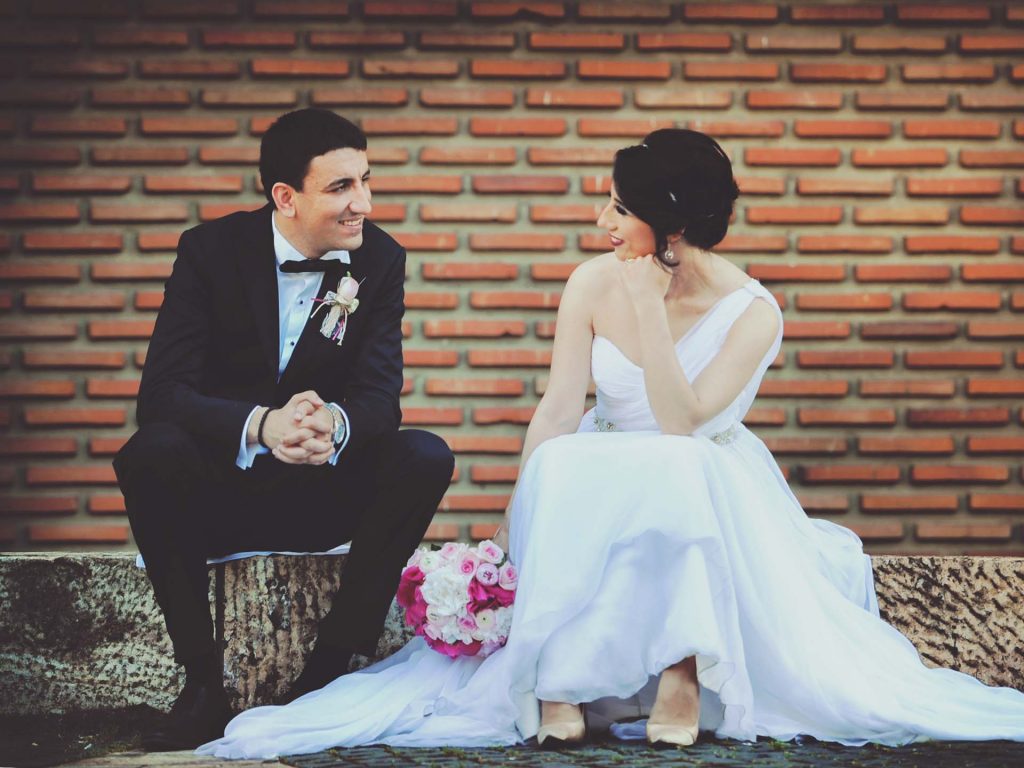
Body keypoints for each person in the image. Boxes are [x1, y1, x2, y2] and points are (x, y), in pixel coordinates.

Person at [199, 129, 1024, 758]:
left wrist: (652, 310)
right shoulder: (592, 281)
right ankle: (558, 680)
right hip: (605, 461)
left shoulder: (754, 314)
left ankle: (684, 671)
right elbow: (560, 406)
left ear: (669, 223)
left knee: (675, 465)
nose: (602, 224)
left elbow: (684, 423)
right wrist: (509, 519)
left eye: (620, 210)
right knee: (565, 459)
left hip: (704, 472)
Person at [113, 108, 455, 751]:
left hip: (320, 494)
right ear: (286, 196)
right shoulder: (209, 251)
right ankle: (201, 683)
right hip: (219, 493)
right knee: (151, 449)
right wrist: (262, 426)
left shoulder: (380, 259)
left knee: (425, 455)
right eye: (341, 187)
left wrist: (334, 424)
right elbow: (161, 395)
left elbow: (380, 398)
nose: (364, 203)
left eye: (366, 181)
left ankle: (329, 670)